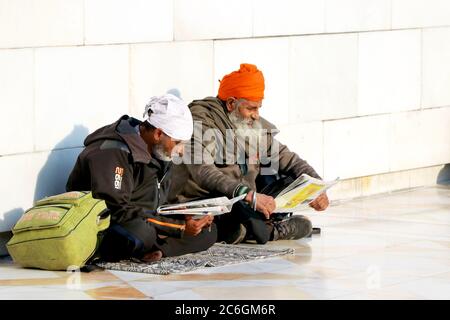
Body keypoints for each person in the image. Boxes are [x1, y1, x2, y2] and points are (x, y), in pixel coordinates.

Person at [169, 64, 329, 245]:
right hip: (211, 202)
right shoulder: (200, 121)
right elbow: (204, 171)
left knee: (291, 180)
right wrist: (249, 195)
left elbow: (287, 158)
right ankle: (270, 230)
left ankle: (256, 226)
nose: (256, 116)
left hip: (245, 198)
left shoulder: (250, 125)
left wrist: (318, 188)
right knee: (233, 221)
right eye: (251, 109)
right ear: (231, 103)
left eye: (258, 108)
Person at [66, 94, 216, 262]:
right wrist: (178, 227)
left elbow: (160, 204)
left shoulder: (159, 151)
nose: (181, 151)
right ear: (159, 133)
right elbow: (114, 209)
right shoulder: (113, 151)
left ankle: (158, 251)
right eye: (178, 143)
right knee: (142, 233)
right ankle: (151, 246)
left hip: (146, 219)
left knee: (209, 230)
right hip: (107, 223)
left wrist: (186, 216)